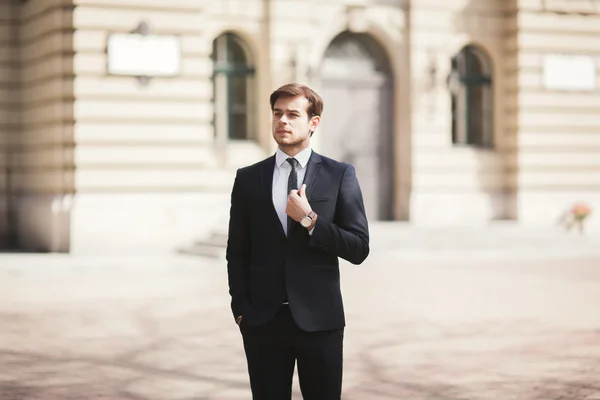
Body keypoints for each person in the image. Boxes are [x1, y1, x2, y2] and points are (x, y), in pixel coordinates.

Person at [226, 82, 370, 399]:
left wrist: (310, 219)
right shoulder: (248, 178)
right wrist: (241, 309)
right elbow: (237, 251)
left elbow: (359, 248)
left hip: (321, 322)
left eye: (293, 114)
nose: (283, 121)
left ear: (313, 122)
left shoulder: (339, 175)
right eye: (277, 113)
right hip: (263, 323)